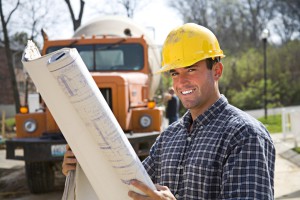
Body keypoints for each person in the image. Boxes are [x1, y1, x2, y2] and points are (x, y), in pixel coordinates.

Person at [63, 23, 276, 200]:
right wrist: (83, 170)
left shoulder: (245, 135)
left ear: (217, 71)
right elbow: (128, 188)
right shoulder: (169, 137)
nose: (181, 82)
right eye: (175, 73)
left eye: (191, 69)